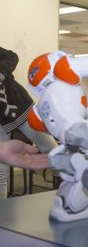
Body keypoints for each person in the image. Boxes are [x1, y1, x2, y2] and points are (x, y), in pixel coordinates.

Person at [0, 47, 59, 199]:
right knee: (0, 169)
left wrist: (0, 72)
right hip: (0, 118)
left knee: (50, 147)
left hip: (20, 104)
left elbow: (12, 56)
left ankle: (68, 184)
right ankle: (2, 211)